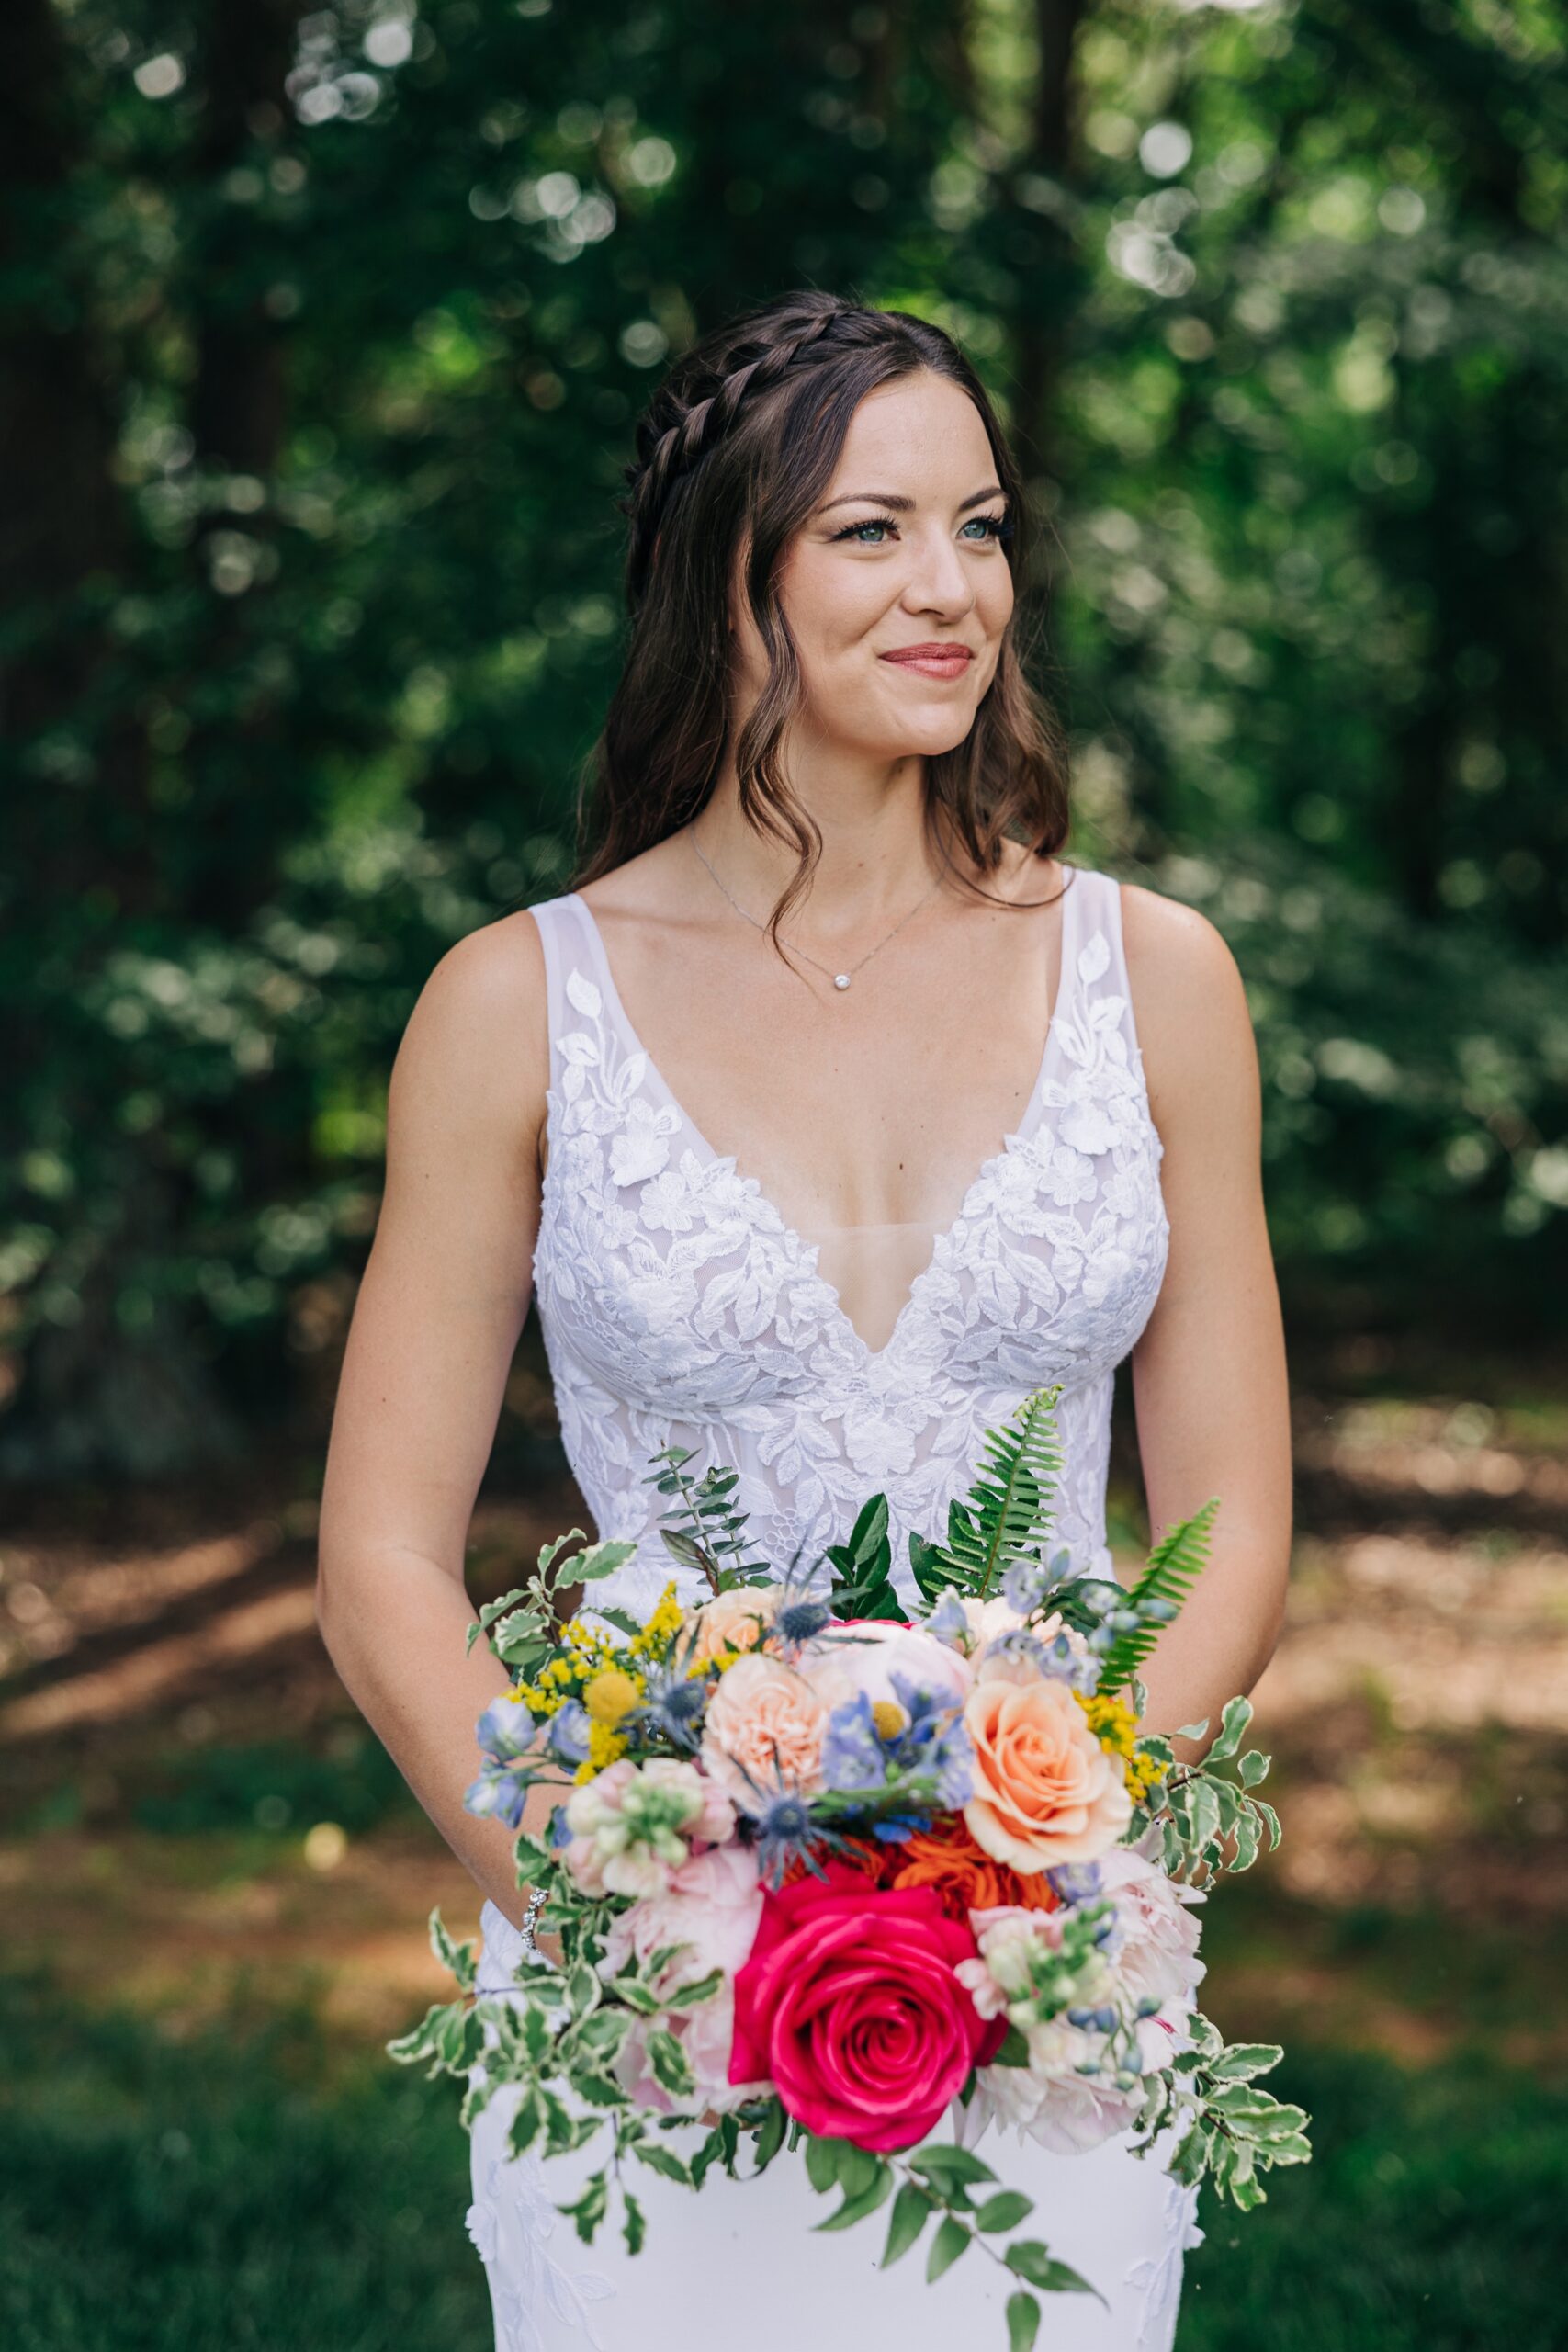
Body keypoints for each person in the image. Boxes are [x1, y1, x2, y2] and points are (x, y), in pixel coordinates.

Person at [315, 289, 1292, 2352]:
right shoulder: (514, 1005)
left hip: (1049, 1998)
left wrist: (1050, 1885)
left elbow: (1229, 1518)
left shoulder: (1160, 975)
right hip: (647, 2003)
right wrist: (607, 1911)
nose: (950, 589)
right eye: (868, 531)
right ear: (725, 580)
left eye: (983, 524)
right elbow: (382, 1555)